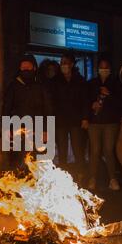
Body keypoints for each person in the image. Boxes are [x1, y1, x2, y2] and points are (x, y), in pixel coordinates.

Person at [3, 54, 53, 168]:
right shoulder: (14, 86)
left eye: (28, 68)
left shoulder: (41, 85)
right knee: (18, 160)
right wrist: (6, 128)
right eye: (23, 68)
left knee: (38, 159)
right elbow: (6, 108)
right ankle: (19, 182)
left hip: (38, 128)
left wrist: (46, 130)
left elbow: (48, 109)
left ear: (34, 68)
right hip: (18, 128)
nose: (25, 70)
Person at [86, 58, 122, 191]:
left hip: (111, 122)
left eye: (106, 67)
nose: (103, 69)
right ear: (97, 69)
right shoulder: (92, 83)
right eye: (101, 67)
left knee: (108, 150)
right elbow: (86, 100)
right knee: (94, 151)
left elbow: (120, 102)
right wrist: (91, 106)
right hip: (94, 122)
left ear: (110, 69)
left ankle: (113, 179)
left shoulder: (116, 83)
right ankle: (92, 178)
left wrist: (109, 95)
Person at [53, 51, 89, 181]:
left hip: (76, 120)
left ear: (72, 64)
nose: (63, 65)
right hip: (61, 121)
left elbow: (85, 100)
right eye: (62, 63)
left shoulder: (79, 80)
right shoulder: (56, 81)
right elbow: (53, 101)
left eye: (66, 63)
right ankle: (63, 176)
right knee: (62, 150)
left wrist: (85, 118)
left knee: (78, 149)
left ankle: (81, 174)